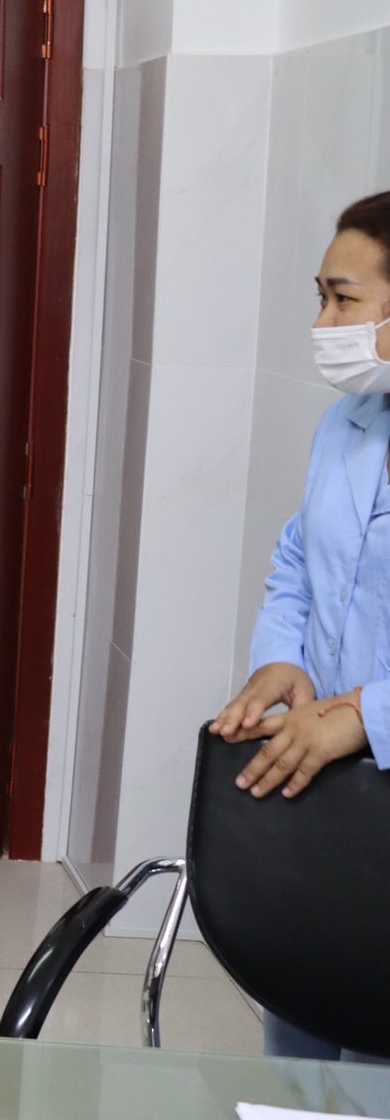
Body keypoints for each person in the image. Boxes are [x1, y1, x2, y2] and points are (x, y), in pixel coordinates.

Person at [212, 190, 390, 1066]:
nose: (323, 324)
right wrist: (281, 657)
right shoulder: (347, 425)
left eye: (343, 300)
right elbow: (297, 558)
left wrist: (366, 715)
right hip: (327, 793)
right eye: (321, 297)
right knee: (306, 1029)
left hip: (362, 756)